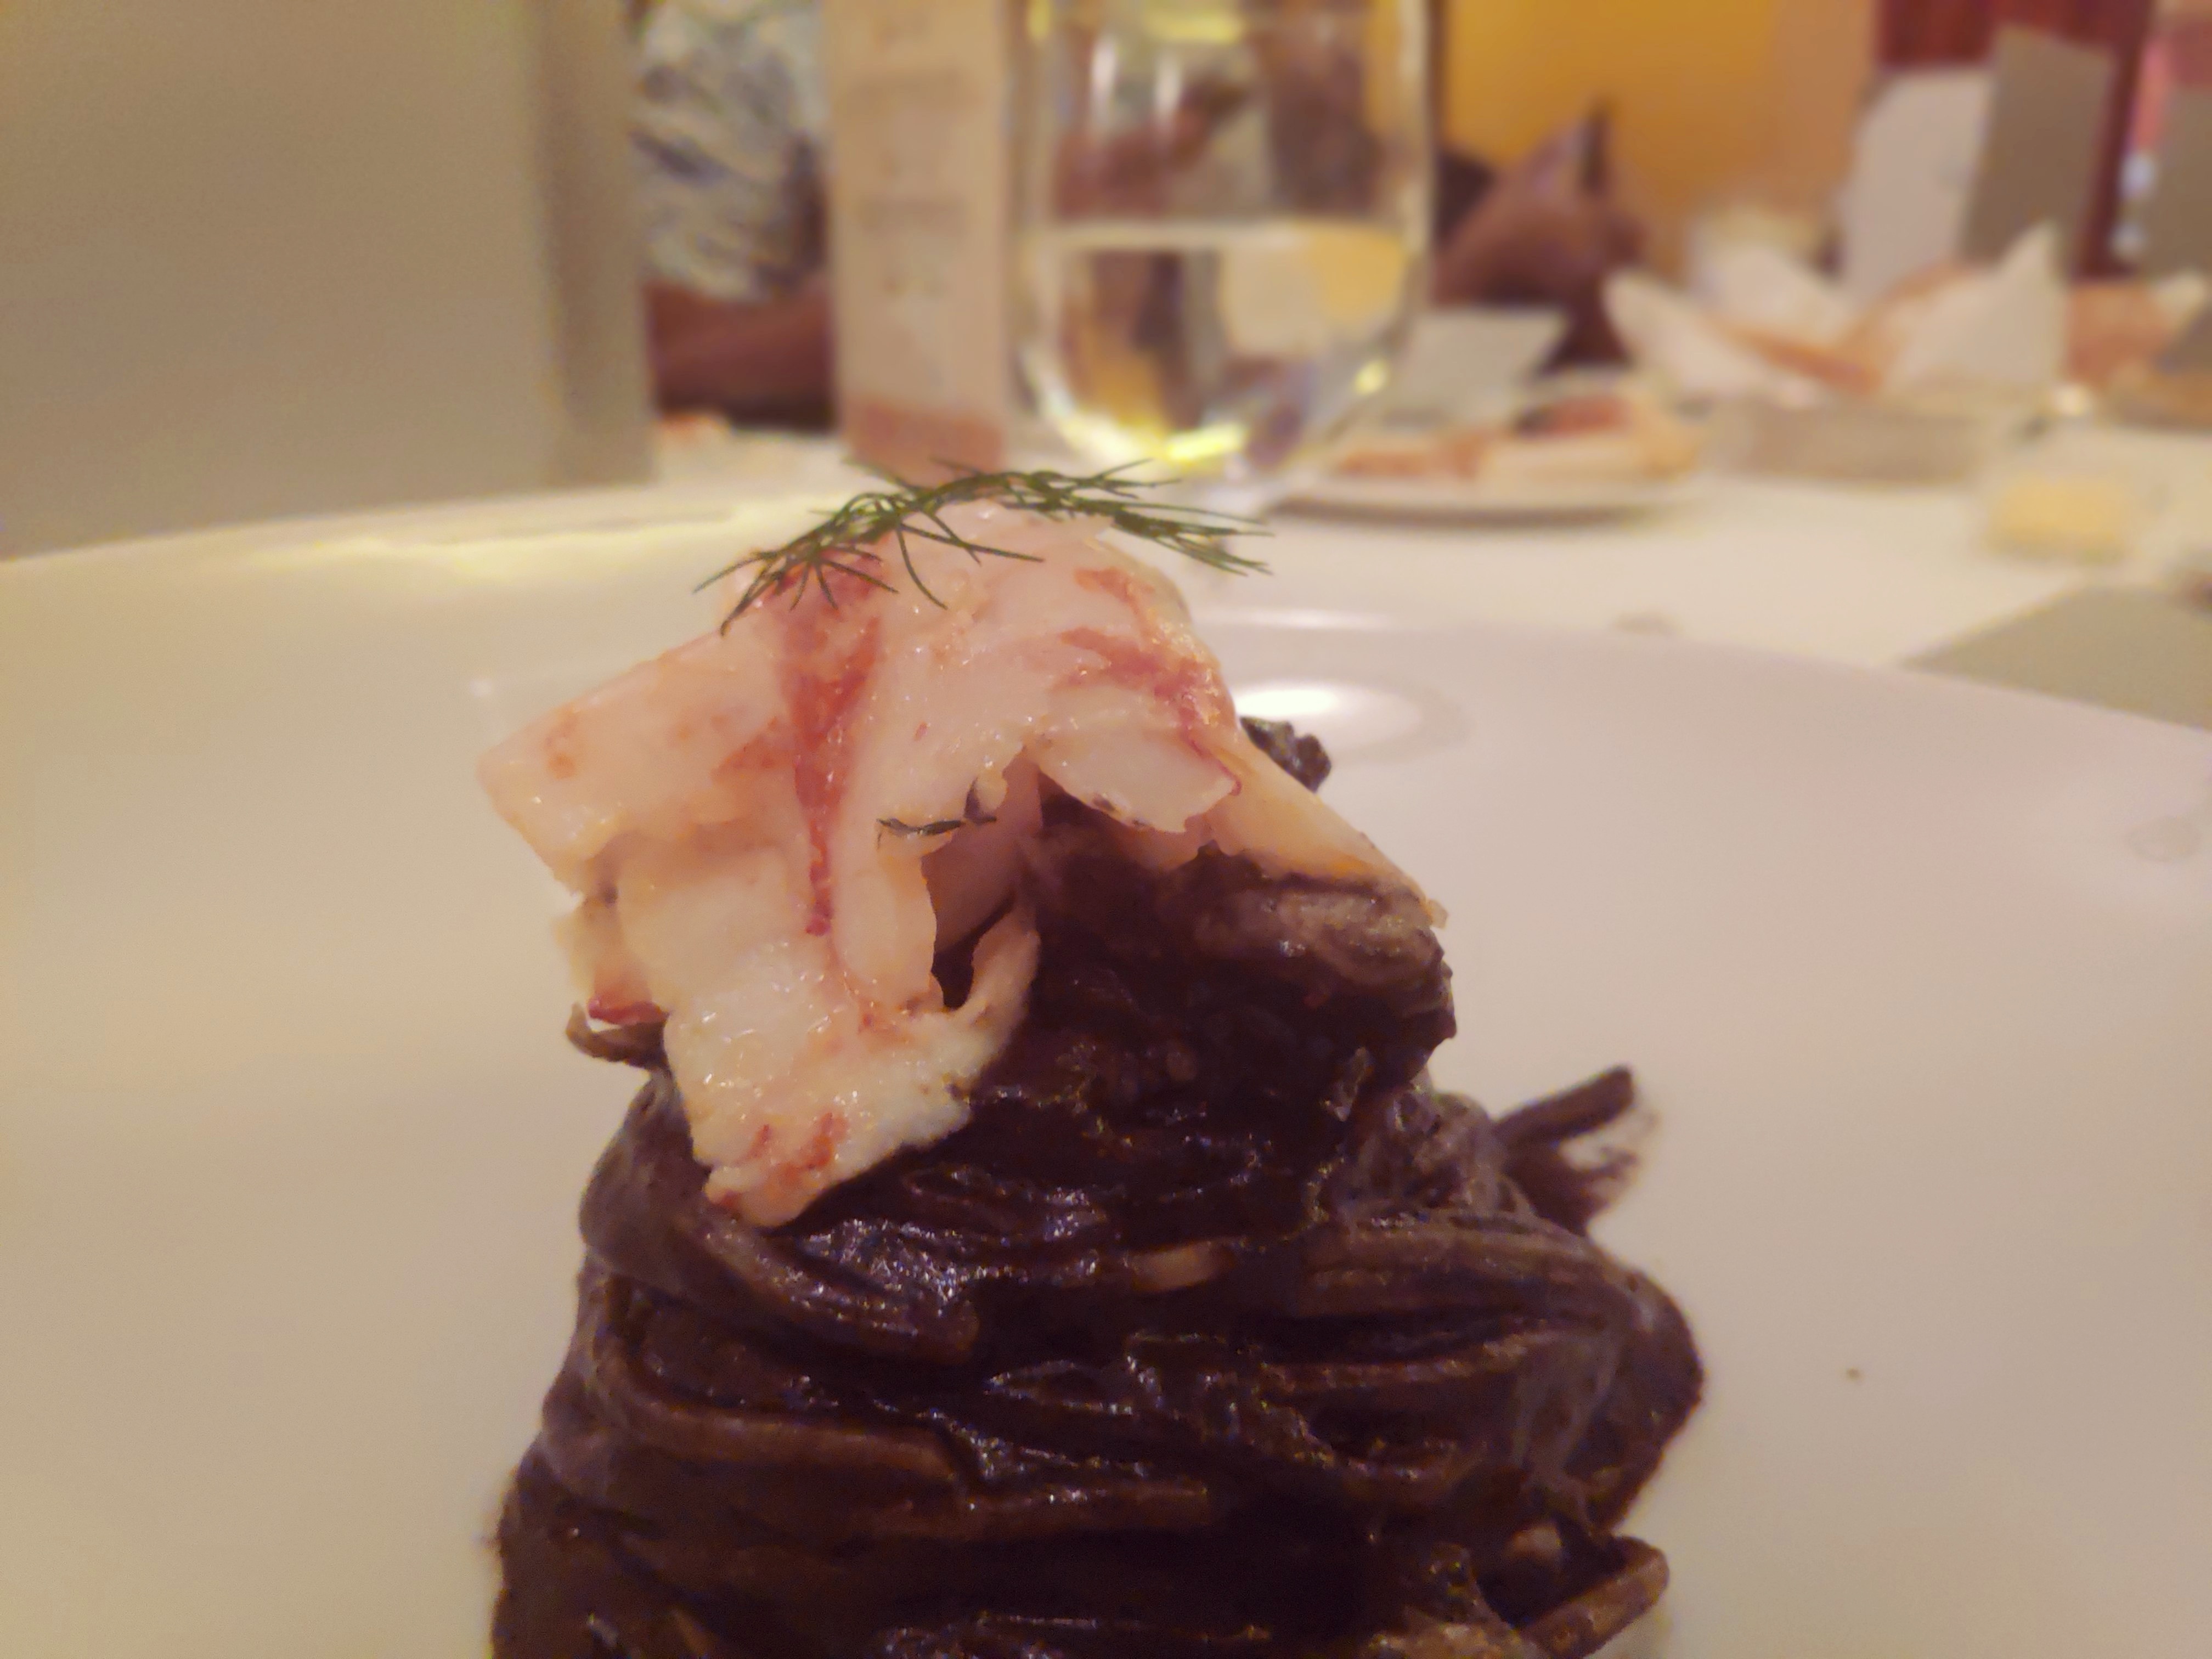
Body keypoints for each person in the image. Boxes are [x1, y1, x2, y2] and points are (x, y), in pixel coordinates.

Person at [631, 0, 1643, 419]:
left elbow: (1254, 398)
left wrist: (1488, 266)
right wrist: (988, 286)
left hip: (1170, 545)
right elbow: (657, 361)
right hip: (838, 538)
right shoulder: (744, 27)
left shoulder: (1200, 45)